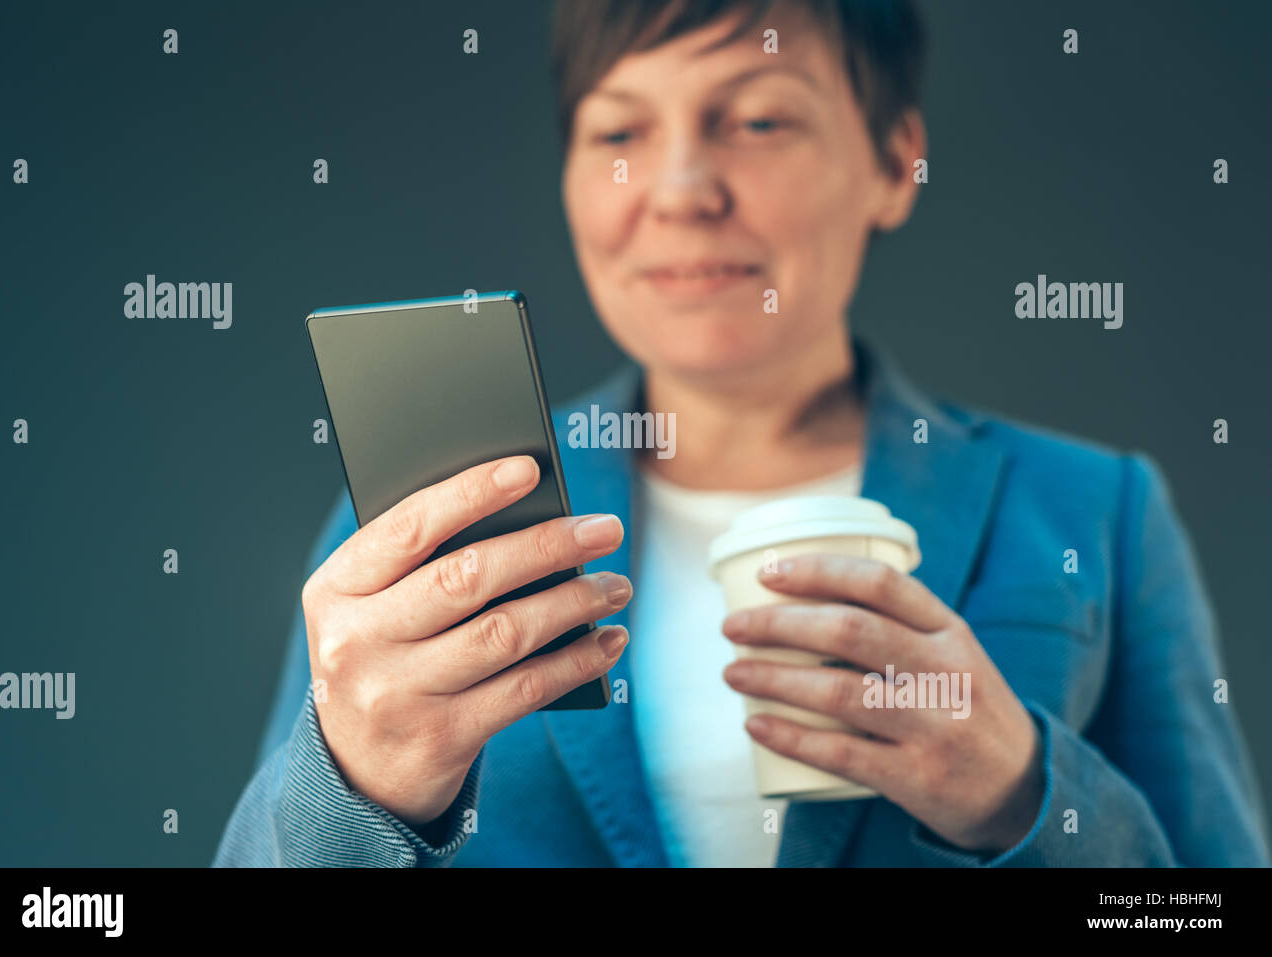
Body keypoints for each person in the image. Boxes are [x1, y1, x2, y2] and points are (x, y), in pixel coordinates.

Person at [214, 0, 1270, 867]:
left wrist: (1025, 798)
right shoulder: (421, 519)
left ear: (895, 162)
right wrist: (348, 782)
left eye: (757, 121)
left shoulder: (1096, 511)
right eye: (621, 133)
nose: (679, 191)